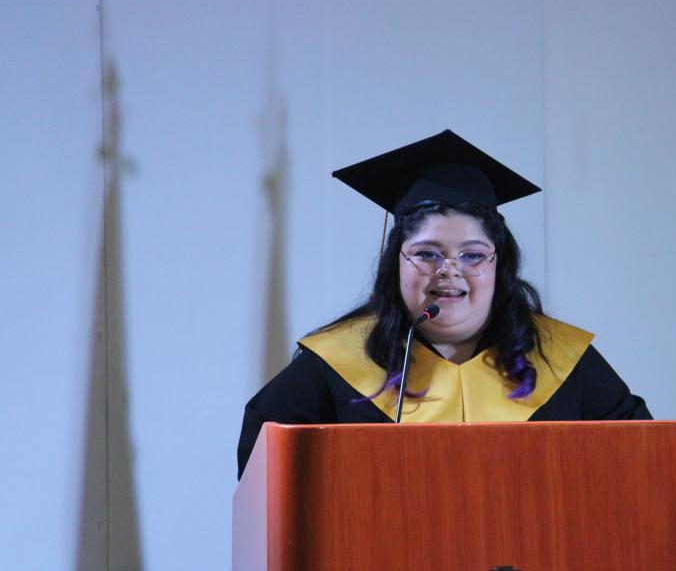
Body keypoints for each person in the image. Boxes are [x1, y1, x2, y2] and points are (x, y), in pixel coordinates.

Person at [237, 130, 651, 479]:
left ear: (499, 263)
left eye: (472, 255)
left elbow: (642, 466)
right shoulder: (337, 364)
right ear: (396, 261)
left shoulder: (561, 360)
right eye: (427, 254)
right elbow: (269, 483)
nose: (449, 272)